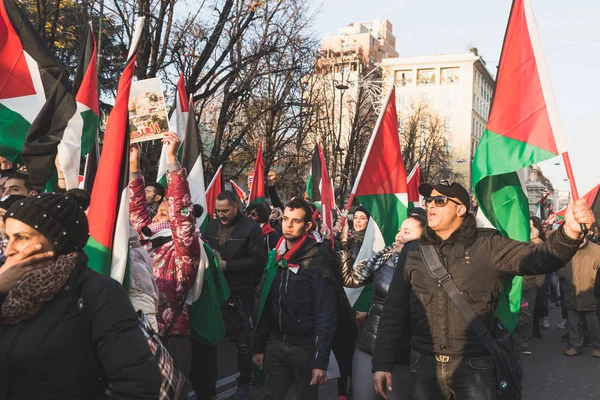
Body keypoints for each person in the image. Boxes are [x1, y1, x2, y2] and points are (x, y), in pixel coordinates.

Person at [372, 181, 595, 400]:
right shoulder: (413, 251)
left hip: (475, 365)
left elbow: (540, 258)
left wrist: (569, 234)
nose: (430, 205)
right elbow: (393, 310)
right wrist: (381, 363)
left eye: (439, 200)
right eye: (428, 200)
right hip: (424, 364)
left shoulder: (488, 244)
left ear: (460, 209)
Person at [0, 192, 161, 399]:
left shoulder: (97, 292)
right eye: (8, 238)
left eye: (22, 238)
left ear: (57, 240)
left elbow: (138, 384)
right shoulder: (8, 290)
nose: (9, 250)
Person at [252, 197, 355, 400]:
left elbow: (326, 314)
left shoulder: (317, 259)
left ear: (308, 225)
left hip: (305, 349)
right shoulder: (276, 256)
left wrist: (320, 361)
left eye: (296, 221)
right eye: (286, 219)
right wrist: (259, 347)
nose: (288, 225)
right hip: (275, 344)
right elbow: (265, 302)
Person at [129, 132, 200, 400]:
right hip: (137, 337)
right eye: (159, 211)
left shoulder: (183, 250)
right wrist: (134, 164)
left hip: (170, 341)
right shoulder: (142, 243)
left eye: (168, 213)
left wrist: (172, 159)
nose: (162, 214)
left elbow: (181, 211)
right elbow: (135, 211)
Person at [341, 214, 427, 400]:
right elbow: (351, 279)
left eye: (407, 232)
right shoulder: (384, 257)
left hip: (403, 353)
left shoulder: (428, 270)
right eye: (399, 230)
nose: (399, 235)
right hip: (368, 345)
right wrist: (344, 244)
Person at [203, 190, 267, 399]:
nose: (221, 215)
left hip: (239, 293)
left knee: (242, 343)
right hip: (213, 292)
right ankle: (207, 384)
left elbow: (259, 261)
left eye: (225, 211)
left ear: (236, 207)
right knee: (209, 340)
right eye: (217, 211)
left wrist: (227, 266)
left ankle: (244, 381)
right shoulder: (211, 226)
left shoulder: (251, 229)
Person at [557, 237, 600, 357]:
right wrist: (564, 275)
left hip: (590, 292)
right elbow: (558, 266)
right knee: (573, 322)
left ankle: (597, 346)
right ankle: (575, 346)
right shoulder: (566, 249)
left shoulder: (596, 250)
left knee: (593, 324)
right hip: (571, 291)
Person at [521, 217, 547, 356]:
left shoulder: (538, 243)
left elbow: (542, 265)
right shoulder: (515, 238)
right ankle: (513, 342)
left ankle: (525, 343)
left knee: (528, 314)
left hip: (530, 284)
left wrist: (538, 282)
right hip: (515, 283)